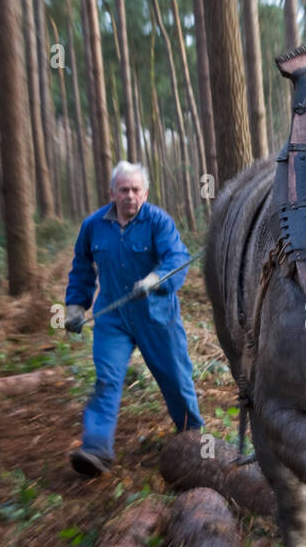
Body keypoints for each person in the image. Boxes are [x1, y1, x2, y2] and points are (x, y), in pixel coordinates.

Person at [63, 161, 204, 476]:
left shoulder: (158, 222)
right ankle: (96, 449)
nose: (130, 196)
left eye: (135, 190)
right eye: (123, 190)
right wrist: (75, 306)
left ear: (146, 192)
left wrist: (156, 279)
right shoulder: (93, 225)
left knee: (175, 379)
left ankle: (192, 435)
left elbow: (178, 258)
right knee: (107, 379)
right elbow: (82, 268)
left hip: (157, 317)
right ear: (112, 192)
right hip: (112, 316)